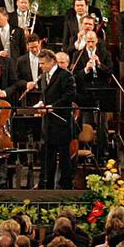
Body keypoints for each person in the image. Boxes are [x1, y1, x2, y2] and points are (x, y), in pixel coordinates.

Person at [35, 50, 76, 188]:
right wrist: (41, 103)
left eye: (43, 63)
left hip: (62, 123)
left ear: (52, 62)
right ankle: (46, 186)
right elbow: (44, 95)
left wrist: (54, 106)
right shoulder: (44, 76)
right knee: (47, 157)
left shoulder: (65, 75)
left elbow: (69, 95)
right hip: (48, 125)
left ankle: (65, 187)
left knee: (64, 158)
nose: (41, 66)